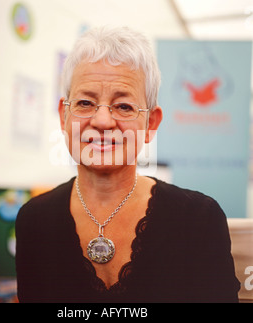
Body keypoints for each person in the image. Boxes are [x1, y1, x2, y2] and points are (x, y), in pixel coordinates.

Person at [15, 26, 240, 303]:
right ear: (64, 116)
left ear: (150, 123)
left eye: (123, 107)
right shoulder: (34, 220)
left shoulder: (198, 219)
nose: (102, 121)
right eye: (85, 103)